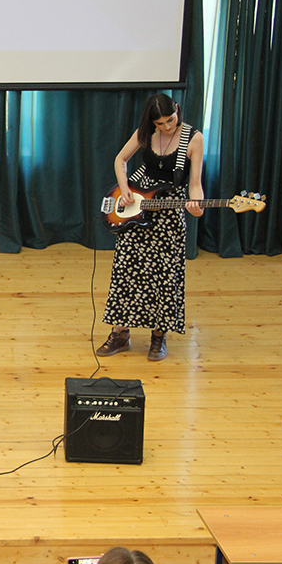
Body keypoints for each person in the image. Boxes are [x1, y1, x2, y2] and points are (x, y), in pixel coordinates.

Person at [97, 93, 204, 362]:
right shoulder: (144, 132)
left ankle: (158, 337)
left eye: (170, 120)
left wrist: (197, 205)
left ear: (177, 109)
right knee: (126, 270)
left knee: (164, 274)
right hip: (138, 203)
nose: (166, 126)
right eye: (160, 123)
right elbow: (120, 160)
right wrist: (124, 189)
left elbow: (195, 184)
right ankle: (120, 333)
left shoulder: (194, 138)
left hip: (169, 210)